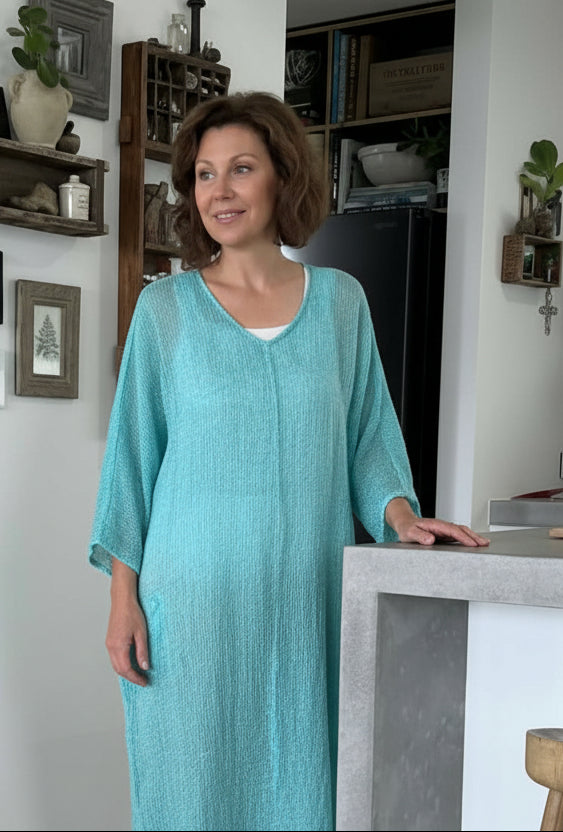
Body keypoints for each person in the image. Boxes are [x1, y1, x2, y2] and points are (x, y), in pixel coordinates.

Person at [89, 91, 489, 832]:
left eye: (241, 168)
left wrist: (402, 516)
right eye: (204, 174)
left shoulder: (340, 302)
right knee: (192, 791)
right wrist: (123, 600)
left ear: (282, 176)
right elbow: (131, 463)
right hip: (193, 602)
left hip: (311, 600)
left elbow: (368, 435)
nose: (220, 190)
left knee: (304, 788)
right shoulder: (165, 310)